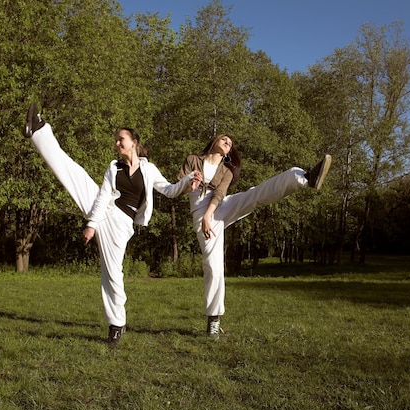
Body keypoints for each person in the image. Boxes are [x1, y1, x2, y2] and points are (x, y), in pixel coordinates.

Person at [23, 103, 201, 346]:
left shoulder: (148, 169)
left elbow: (170, 190)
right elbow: (103, 196)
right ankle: (39, 130)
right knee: (75, 174)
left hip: (120, 225)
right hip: (104, 211)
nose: (117, 143)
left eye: (121, 139)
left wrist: (190, 180)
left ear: (134, 142)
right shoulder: (113, 167)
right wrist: (92, 224)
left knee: (113, 274)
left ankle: (117, 324)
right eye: (117, 140)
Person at [178, 134, 331, 340]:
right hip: (199, 210)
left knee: (254, 195)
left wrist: (208, 215)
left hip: (216, 208)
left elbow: (219, 194)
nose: (228, 143)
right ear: (214, 141)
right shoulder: (193, 160)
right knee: (213, 266)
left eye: (230, 143)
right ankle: (213, 319)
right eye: (224, 139)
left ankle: (304, 177)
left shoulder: (226, 171)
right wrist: (191, 183)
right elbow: (179, 186)